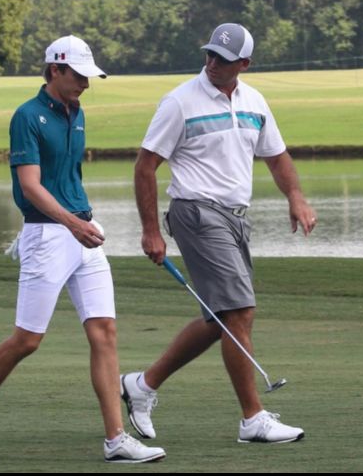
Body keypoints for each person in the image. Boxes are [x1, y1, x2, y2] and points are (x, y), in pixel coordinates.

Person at [0, 35, 165, 464]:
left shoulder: (76, 112)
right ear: (55, 70)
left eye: (88, 76)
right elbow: (30, 186)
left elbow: (69, 177)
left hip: (83, 232)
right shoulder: (27, 116)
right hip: (47, 235)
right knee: (27, 340)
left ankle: (116, 439)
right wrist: (72, 224)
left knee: (104, 332)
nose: (85, 83)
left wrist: (84, 223)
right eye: (78, 75)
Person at [123, 23, 317, 444]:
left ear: (244, 64)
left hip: (235, 218)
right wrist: (151, 230)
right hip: (196, 213)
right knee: (240, 311)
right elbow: (145, 166)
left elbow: (277, 157)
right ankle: (253, 418)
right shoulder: (180, 102)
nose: (212, 63)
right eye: (209, 54)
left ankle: (142, 384)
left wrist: (296, 197)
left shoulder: (254, 101)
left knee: (220, 320)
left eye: (223, 59)